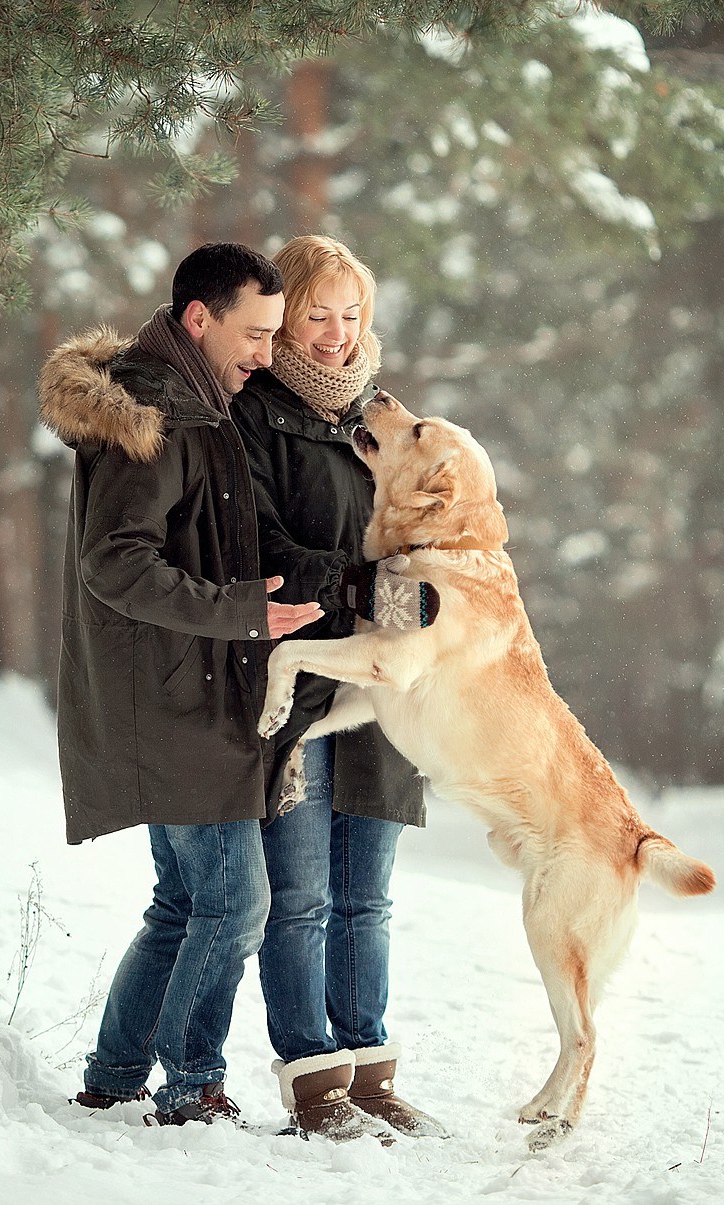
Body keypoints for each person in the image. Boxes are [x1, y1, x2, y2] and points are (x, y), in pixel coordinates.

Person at [37, 242, 322, 1126]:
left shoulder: (197, 401)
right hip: (174, 700)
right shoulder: (155, 416)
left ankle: (114, 1073)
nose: (268, 354)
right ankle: (190, 1082)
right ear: (199, 319)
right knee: (235, 903)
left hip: (190, 692)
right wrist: (240, 612)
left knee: (182, 903)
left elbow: (213, 538)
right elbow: (113, 563)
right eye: (256, 333)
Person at [229, 234, 446, 1141]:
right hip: (305, 685)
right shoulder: (254, 417)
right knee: (304, 893)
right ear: (284, 319)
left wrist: (430, 588)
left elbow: (432, 529)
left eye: (350, 314)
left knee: (370, 898)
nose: (334, 333)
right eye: (317, 313)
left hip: (388, 691)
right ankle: (315, 1084)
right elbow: (265, 547)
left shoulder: (385, 420)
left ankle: (370, 1072)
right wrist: (360, 587)